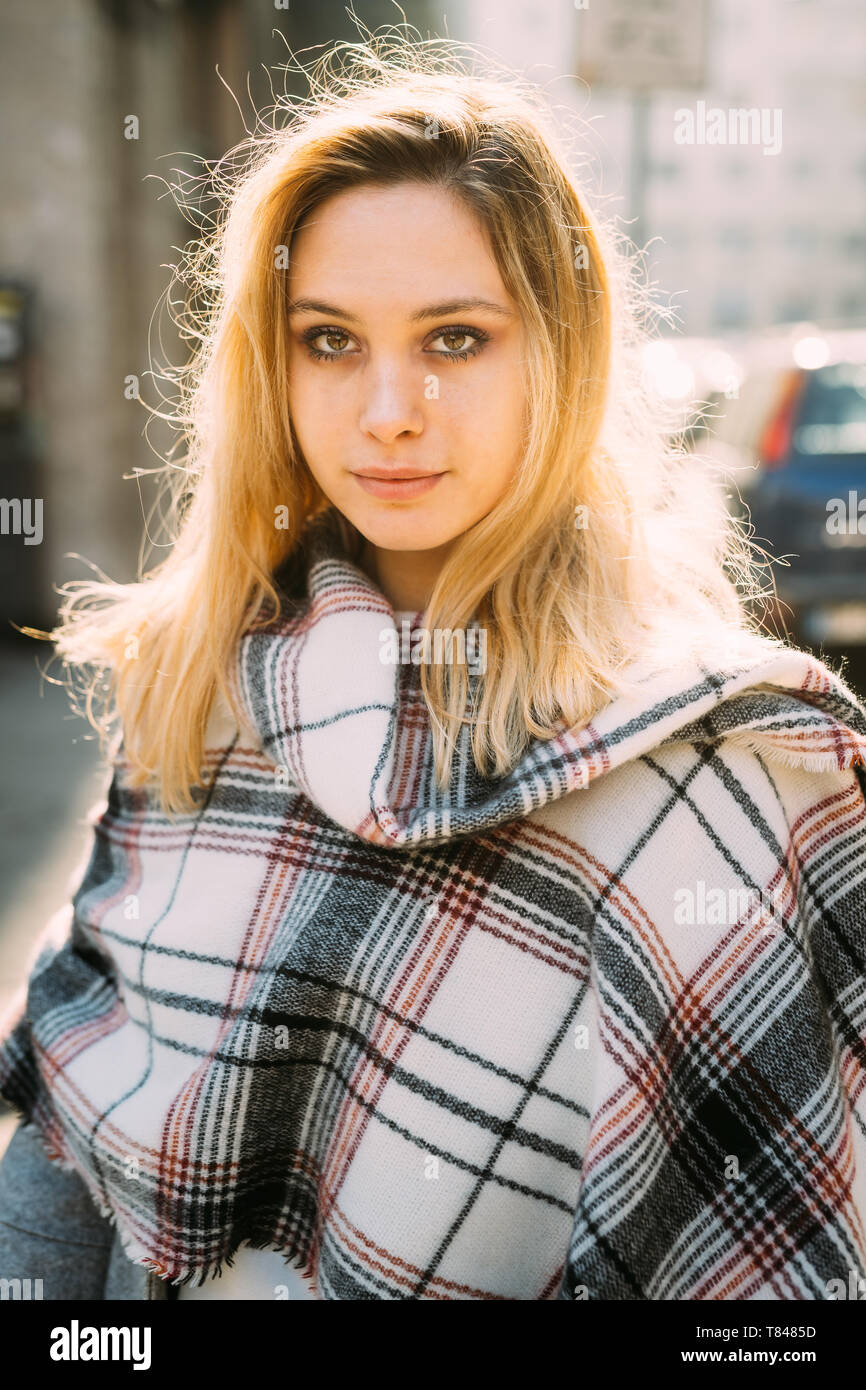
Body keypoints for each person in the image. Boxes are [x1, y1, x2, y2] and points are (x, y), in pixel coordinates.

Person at [2, 31, 866, 1302]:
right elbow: (60, 1173)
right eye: (330, 340)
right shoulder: (201, 687)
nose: (387, 410)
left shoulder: (720, 763)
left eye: (455, 339)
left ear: (558, 356)